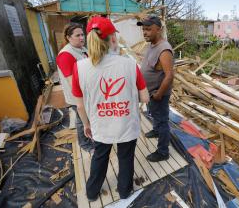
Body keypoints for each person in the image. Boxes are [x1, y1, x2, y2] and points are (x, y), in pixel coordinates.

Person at [72, 16, 149, 201]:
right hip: (127, 124)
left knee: (100, 157)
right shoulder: (130, 64)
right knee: (126, 158)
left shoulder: (80, 67)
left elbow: (79, 105)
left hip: (100, 124)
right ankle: (124, 192)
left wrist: (86, 124)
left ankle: (91, 193)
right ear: (113, 39)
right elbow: (145, 97)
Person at [137, 16, 174, 162]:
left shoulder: (164, 49)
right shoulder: (152, 45)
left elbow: (169, 75)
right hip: (150, 93)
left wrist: (159, 94)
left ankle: (163, 151)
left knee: (162, 120)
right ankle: (156, 130)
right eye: (143, 29)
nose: (145, 32)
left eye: (148, 29)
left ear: (158, 30)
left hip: (158, 94)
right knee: (155, 115)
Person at [56, 23, 93, 152]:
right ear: (68, 37)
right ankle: (85, 144)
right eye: (77, 35)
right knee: (82, 119)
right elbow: (72, 82)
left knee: (87, 118)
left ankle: (91, 138)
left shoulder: (82, 49)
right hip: (76, 96)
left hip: (87, 93)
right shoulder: (65, 55)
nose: (82, 37)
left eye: (82, 34)